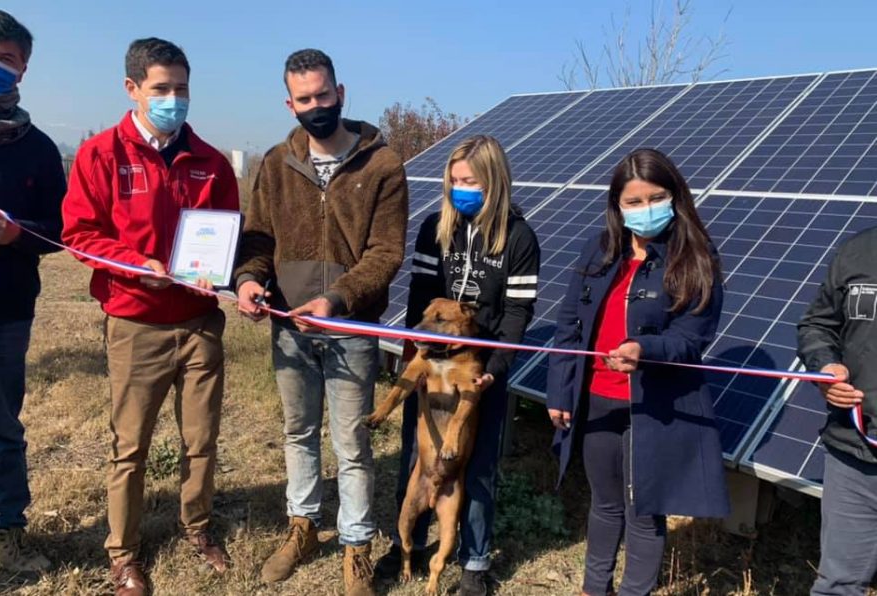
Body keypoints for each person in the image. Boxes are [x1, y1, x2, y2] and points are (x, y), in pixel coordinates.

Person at [61, 37, 239, 596]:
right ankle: (123, 554)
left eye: (181, 89)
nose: (173, 99)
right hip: (136, 322)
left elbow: (227, 232)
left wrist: (226, 272)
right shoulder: (101, 154)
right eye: (161, 89)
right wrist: (137, 265)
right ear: (132, 88)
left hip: (199, 320)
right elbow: (80, 234)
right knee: (131, 445)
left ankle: (199, 526)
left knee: (201, 439)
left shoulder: (210, 161)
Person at [234, 48, 408, 596]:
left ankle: (356, 545)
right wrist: (248, 279)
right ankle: (304, 526)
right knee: (297, 432)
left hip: (351, 328)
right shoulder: (275, 164)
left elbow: (386, 252)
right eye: (304, 99)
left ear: (341, 93)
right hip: (288, 326)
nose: (316, 106)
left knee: (352, 442)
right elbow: (259, 238)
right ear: (290, 103)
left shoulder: (382, 164)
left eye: (323, 95)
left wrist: (338, 299)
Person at [546, 148, 730, 596]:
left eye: (656, 197)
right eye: (634, 201)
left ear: (675, 196)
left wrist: (643, 349)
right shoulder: (599, 250)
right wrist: (560, 392)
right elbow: (569, 326)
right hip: (598, 401)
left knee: (644, 512)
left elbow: (692, 338)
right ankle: (594, 588)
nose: (646, 209)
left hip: (654, 406)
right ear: (617, 206)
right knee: (605, 504)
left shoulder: (695, 259)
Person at [373, 135, 540, 596]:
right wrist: (412, 352)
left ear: (494, 181)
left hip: (478, 370)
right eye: (455, 179)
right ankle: (405, 543)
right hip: (430, 366)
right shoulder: (435, 229)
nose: (460, 187)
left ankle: (475, 561)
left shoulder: (519, 237)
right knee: (416, 453)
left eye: (471, 180)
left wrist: (497, 367)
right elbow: (420, 298)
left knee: (478, 463)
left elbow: (516, 313)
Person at [0, 6, 65, 574]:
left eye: (6, 59)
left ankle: (3, 531)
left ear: (24, 69)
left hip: (5, 311)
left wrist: (18, 234)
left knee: (1, 428)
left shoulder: (37, 147)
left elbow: (61, 233)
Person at [798, 228, 877, 595]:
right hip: (853, 451)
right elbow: (818, 325)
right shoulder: (858, 251)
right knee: (838, 585)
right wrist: (824, 366)